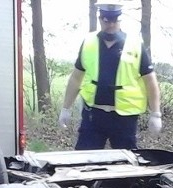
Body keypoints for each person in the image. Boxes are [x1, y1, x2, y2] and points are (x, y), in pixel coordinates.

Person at [58, 1, 162, 151]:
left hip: (124, 119)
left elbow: (150, 81)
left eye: (114, 20)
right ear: (101, 19)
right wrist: (65, 109)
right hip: (94, 115)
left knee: (125, 165)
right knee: (84, 161)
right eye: (107, 20)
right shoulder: (89, 42)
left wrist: (156, 113)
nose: (111, 24)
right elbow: (76, 78)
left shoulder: (135, 44)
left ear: (120, 20)